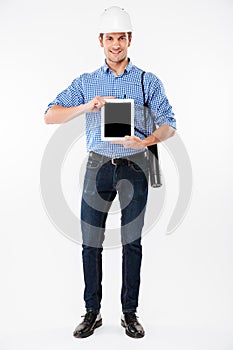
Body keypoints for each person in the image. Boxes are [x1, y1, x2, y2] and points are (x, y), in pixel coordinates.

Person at [44, 6, 176, 339]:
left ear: (129, 40)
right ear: (100, 41)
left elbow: (170, 125)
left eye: (121, 38)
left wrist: (144, 140)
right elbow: (50, 115)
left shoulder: (147, 81)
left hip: (134, 168)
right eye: (109, 38)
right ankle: (93, 312)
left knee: (132, 243)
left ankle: (129, 314)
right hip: (97, 168)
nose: (115, 44)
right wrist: (86, 106)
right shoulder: (86, 83)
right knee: (91, 243)